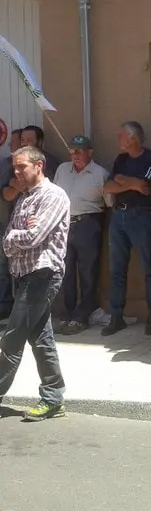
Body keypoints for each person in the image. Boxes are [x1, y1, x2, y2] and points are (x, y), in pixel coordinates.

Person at [0, 146, 69, 420]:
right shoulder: (25, 198)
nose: (16, 173)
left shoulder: (53, 196)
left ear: (38, 166)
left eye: (21, 167)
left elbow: (33, 237)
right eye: (14, 168)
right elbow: (9, 238)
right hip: (24, 274)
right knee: (41, 339)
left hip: (43, 275)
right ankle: (53, 398)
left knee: (12, 338)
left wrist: (15, 237)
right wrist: (17, 235)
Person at [102, 121, 151, 337]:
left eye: (121, 136)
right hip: (118, 215)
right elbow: (108, 187)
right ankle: (116, 316)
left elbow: (145, 185)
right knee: (117, 269)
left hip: (141, 215)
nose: (118, 139)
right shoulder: (121, 159)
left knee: (149, 268)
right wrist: (131, 183)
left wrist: (122, 180)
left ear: (133, 138)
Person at [53, 135, 111, 334]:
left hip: (88, 223)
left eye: (79, 151)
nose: (74, 155)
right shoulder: (62, 170)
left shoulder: (100, 173)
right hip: (63, 225)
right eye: (72, 151)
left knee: (88, 272)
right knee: (65, 272)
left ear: (90, 152)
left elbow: (109, 203)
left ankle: (82, 316)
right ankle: (68, 314)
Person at [0, 128, 22, 320]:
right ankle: (5, 306)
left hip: (29, 225)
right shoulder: (6, 163)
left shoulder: (44, 161)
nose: (10, 145)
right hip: (8, 223)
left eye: (14, 141)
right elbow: (7, 191)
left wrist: (16, 185)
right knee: (4, 268)